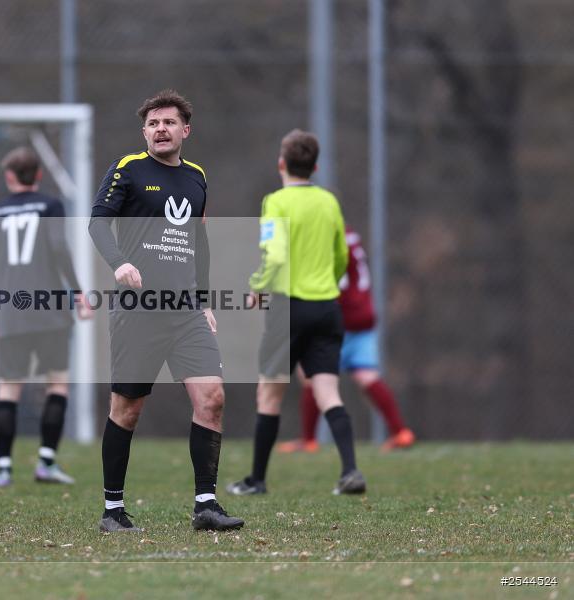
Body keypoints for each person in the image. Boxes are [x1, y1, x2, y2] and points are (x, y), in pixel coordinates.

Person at [89, 89, 243, 532]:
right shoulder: (128, 169)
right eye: (153, 123)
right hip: (138, 310)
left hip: (185, 312)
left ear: (185, 130)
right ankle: (113, 510)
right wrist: (119, 263)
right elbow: (97, 223)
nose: (161, 129)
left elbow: (200, 242)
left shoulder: (196, 177)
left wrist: (204, 299)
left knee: (212, 398)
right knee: (127, 409)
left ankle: (206, 506)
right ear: (145, 132)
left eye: (169, 122)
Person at [226, 129, 366, 497]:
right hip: (327, 307)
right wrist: (326, 282)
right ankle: (350, 470)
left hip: (289, 307)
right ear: (316, 167)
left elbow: (274, 254)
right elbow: (341, 257)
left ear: (281, 164)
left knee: (269, 395)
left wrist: (258, 285)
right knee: (328, 392)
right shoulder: (329, 202)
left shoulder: (277, 202)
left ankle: (256, 480)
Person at [0, 146, 92, 487]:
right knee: (57, 383)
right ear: (39, 175)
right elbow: (59, 248)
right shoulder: (51, 206)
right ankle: (46, 464)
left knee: (8, 389)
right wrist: (78, 292)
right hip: (50, 311)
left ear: (9, 177)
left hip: (11, 311)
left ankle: (3, 469)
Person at [277, 226, 415, 454]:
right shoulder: (350, 234)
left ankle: (309, 440)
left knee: (311, 376)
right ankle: (401, 432)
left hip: (340, 317)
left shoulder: (327, 240)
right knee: (367, 376)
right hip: (363, 315)